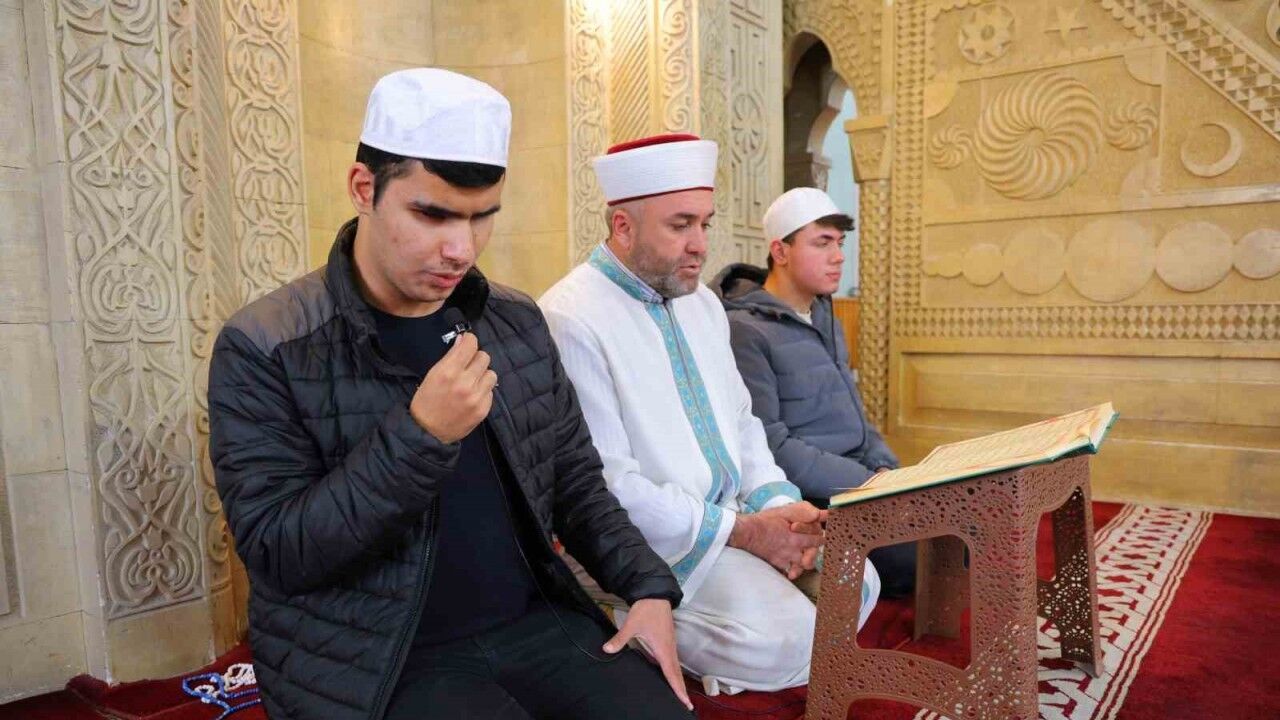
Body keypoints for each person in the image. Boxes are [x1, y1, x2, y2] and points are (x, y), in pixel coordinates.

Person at [208, 69, 694, 720]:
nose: (461, 249)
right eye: (432, 215)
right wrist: (421, 436)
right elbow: (280, 553)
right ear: (364, 188)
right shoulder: (268, 344)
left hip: (534, 623)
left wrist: (647, 587)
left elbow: (576, 484)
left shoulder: (514, 322)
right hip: (376, 656)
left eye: (481, 217)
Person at [539, 135, 880, 696]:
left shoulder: (702, 303)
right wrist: (746, 535)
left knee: (859, 580)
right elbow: (607, 486)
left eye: (705, 223)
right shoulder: (570, 316)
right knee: (788, 639)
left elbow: (743, 423)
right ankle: (607, 607)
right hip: (653, 543)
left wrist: (780, 508)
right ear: (623, 226)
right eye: (680, 226)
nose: (700, 245)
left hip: (735, 515)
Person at [711, 187, 915, 597]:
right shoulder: (745, 331)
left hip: (858, 481)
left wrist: (889, 471)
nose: (838, 256)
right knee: (921, 553)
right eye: (822, 243)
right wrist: (868, 483)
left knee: (960, 520)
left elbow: (857, 416)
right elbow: (771, 445)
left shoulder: (825, 316)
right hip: (812, 497)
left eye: (840, 243)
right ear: (780, 251)